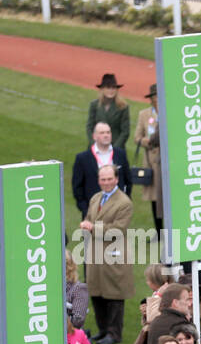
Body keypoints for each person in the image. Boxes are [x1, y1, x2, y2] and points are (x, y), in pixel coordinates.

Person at [79, 164, 135, 344]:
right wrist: (87, 223)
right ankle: (103, 329)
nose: (106, 182)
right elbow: (88, 216)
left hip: (114, 254)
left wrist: (92, 228)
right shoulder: (96, 197)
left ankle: (114, 333)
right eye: (103, 179)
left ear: (116, 179)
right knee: (97, 292)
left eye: (110, 179)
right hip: (95, 253)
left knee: (114, 295)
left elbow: (118, 230)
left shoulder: (124, 202)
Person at [70, 122, 131, 218]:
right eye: (102, 133)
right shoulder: (83, 158)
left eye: (108, 132)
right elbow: (77, 187)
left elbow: (128, 180)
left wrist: (124, 203)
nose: (106, 135)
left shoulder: (120, 154)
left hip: (117, 211)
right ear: (94, 136)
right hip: (93, 213)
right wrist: (85, 209)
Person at [134, 83, 163, 231]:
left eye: (159, 96)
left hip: (166, 161)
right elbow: (137, 137)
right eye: (155, 96)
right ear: (150, 99)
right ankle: (159, 231)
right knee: (154, 198)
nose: (157, 99)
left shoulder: (169, 112)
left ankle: (171, 229)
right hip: (151, 162)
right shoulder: (144, 114)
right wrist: (147, 141)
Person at [86, 73, 130, 154]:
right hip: (96, 149)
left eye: (113, 88)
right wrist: (94, 145)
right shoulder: (94, 105)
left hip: (116, 148)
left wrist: (113, 149)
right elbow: (89, 127)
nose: (111, 90)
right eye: (108, 87)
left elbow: (125, 131)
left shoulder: (123, 107)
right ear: (102, 89)